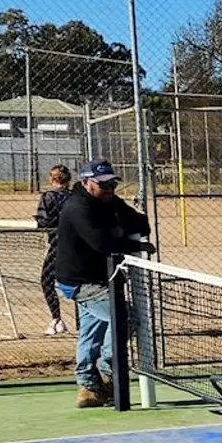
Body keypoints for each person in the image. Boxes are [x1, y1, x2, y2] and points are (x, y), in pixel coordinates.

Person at [54, 161, 151, 408]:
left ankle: (88, 387)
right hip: (80, 282)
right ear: (86, 182)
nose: (109, 189)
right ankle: (108, 371)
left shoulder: (110, 202)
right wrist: (132, 243)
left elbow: (141, 223)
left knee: (92, 330)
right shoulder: (77, 207)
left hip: (100, 279)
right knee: (124, 318)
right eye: (103, 184)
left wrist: (117, 229)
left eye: (112, 184)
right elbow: (102, 243)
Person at [34, 165, 74, 334]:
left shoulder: (48, 196)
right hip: (76, 243)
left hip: (58, 244)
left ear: (52, 179)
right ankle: (78, 320)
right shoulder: (75, 196)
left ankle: (56, 318)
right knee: (78, 282)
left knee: (46, 280)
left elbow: (43, 221)